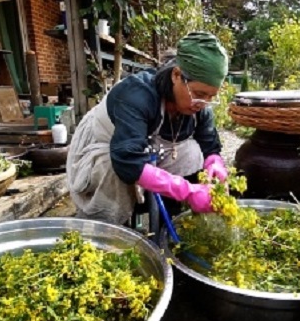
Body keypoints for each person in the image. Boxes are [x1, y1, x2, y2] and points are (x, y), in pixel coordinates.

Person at [66, 30, 230, 227]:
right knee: (110, 167)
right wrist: (186, 191)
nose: (204, 103)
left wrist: (215, 163)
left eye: (211, 96)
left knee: (193, 153)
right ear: (176, 75)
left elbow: (209, 145)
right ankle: (104, 231)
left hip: (150, 149)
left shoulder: (199, 107)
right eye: (199, 94)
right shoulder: (136, 95)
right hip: (106, 147)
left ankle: (170, 224)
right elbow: (127, 161)